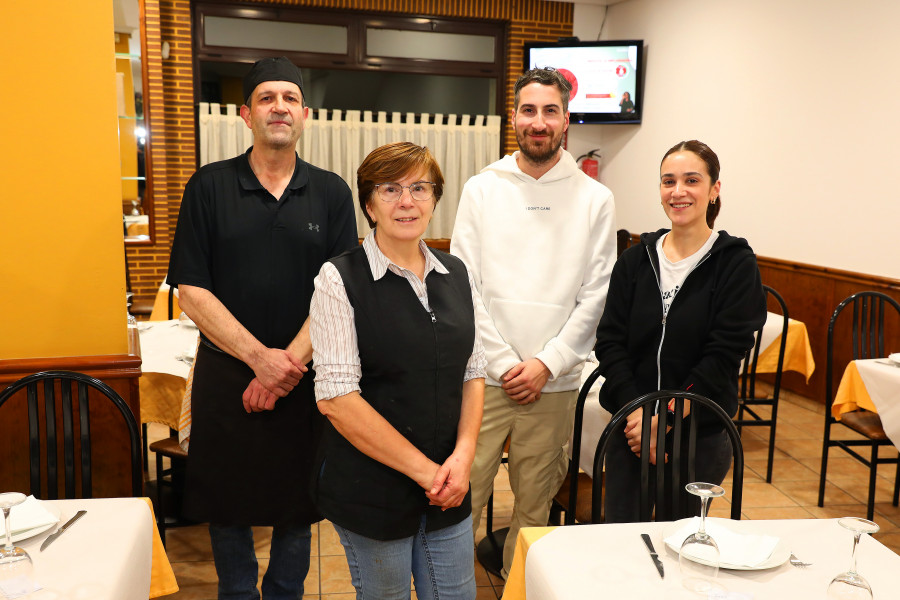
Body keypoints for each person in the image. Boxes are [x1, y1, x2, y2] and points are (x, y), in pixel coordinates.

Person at [166, 56, 358, 599]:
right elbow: (192, 290)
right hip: (229, 376)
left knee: (297, 506)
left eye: (290, 98)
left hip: (304, 379)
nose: (279, 107)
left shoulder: (331, 193)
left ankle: (283, 594)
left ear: (305, 114)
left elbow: (339, 293)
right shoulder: (209, 186)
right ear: (245, 114)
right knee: (227, 505)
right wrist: (259, 360)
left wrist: (285, 367)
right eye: (267, 98)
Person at [451, 67, 617, 577]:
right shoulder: (483, 188)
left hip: (556, 380)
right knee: (466, 492)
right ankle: (452, 585)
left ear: (566, 120)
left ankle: (519, 584)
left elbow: (596, 295)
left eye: (550, 111)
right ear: (515, 118)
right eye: (529, 110)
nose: (538, 121)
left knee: (535, 499)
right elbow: (465, 285)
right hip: (484, 376)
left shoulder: (595, 199)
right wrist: (504, 363)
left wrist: (546, 363)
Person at [309, 141, 486, 600]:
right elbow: (337, 398)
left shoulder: (457, 273)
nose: (406, 201)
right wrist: (430, 475)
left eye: (420, 188)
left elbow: (473, 371)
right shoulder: (338, 278)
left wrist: (463, 457)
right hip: (374, 490)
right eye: (390, 189)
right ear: (368, 204)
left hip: (450, 483)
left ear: (434, 199)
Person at [594, 140, 766, 523]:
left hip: (698, 436)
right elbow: (610, 341)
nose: (678, 191)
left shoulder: (735, 263)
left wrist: (667, 418)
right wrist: (639, 415)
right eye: (668, 181)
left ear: (714, 189)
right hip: (631, 433)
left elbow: (723, 354)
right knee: (621, 546)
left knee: (684, 551)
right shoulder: (636, 260)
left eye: (692, 180)